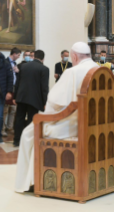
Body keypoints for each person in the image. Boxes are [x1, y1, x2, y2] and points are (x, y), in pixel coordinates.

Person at [14, 42, 99, 193]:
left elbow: (55, 102)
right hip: (94, 125)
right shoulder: (99, 70)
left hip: (72, 126)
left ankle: (32, 181)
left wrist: (46, 114)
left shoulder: (72, 72)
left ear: (73, 56)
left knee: (28, 133)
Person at [13, 50, 49, 147]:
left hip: (21, 97)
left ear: (34, 57)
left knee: (19, 118)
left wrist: (15, 96)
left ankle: (16, 140)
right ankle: (28, 141)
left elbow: (17, 83)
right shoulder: (44, 69)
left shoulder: (23, 66)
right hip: (34, 99)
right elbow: (44, 87)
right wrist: (45, 102)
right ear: (43, 59)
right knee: (31, 120)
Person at [2, 47, 22, 137]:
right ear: (14, 54)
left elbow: (15, 76)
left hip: (14, 88)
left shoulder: (15, 63)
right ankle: (2, 129)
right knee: (4, 110)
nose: (18, 57)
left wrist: (18, 72)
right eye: (18, 55)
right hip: (6, 88)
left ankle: (10, 127)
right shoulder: (5, 62)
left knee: (13, 109)